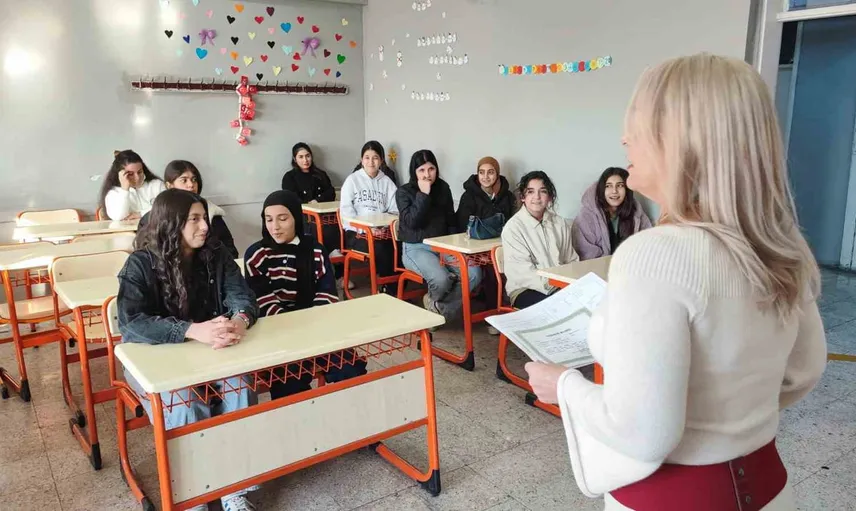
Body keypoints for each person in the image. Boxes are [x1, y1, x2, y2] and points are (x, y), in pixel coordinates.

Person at [525, 54, 827, 511]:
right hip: (768, 488)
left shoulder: (654, 254)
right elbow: (803, 371)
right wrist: (728, 415)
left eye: (637, 123)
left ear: (681, 140)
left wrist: (564, 386)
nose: (624, 138)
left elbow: (642, 433)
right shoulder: (782, 245)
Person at [117, 189, 260, 511]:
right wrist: (192, 330)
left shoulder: (216, 254)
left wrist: (238, 322)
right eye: (194, 219)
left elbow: (242, 298)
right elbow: (131, 323)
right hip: (153, 363)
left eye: (204, 218)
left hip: (211, 352)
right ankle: (195, 494)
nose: (205, 226)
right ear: (172, 223)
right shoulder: (140, 264)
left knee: (240, 384)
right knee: (186, 400)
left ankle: (234, 490)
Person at [244, 190, 367, 398]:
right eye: (269, 219)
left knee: (350, 369)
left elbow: (327, 294)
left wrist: (310, 328)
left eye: (283, 219)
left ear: (296, 218)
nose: (275, 227)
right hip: (278, 332)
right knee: (289, 384)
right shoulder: (257, 255)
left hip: (316, 326)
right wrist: (294, 330)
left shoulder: (315, 250)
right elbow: (263, 301)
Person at [397, 150, 482, 321]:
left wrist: (457, 248)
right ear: (414, 172)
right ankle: (439, 308)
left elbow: (451, 220)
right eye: (421, 170)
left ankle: (437, 306)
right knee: (441, 279)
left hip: (443, 245)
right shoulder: (404, 192)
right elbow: (412, 222)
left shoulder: (443, 188)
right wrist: (423, 195)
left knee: (474, 274)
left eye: (431, 169)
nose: (427, 175)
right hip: (415, 247)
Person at [456, 156, 517, 331]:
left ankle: (506, 310)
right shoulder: (469, 196)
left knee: (508, 266)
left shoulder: (507, 196)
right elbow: (462, 225)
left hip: (498, 246)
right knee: (491, 270)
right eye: (481, 172)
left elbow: (511, 224)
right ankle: (492, 316)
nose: (486, 177)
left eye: (490, 172)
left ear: (497, 174)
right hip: (473, 247)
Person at [501, 171, 578, 309]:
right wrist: (557, 286)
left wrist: (568, 285)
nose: (536, 197)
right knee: (563, 308)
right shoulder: (513, 228)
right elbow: (524, 274)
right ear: (523, 197)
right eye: (530, 192)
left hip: (559, 286)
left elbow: (571, 261)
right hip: (525, 289)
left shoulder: (560, 223)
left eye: (542, 191)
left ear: (550, 197)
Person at [137, 160, 238, 258]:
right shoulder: (152, 218)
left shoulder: (212, 214)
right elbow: (145, 256)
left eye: (194, 180)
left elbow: (231, 252)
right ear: (169, 185)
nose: (191, 185)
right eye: (184, 180)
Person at [340, 141, 399, 290]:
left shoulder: (387, 182)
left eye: (375, 158)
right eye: (367, 157)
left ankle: (393, 289)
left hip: (383, 232)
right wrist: (366, 230)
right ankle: (387, 287)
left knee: (399, 246)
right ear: (361, 160)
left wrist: (383, 228)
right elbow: (346, 214)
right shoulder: (352, 180)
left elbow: (395, 210)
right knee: (381, 248)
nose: (371, 162)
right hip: (357, 234)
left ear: (381, 160)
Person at [572, 167, 652, 260]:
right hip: (598, 267)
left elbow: (648, 244)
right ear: (602, 190)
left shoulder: (636, 213)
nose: (614, 191)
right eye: (608, 186)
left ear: (627, 189)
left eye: (620, 185)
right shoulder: (586, 217)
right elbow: (586, 255)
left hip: (629, 265)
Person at [281, 143, 341, 258]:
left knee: (335, 225)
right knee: (314, 228)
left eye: (308, 156)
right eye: (301, 157)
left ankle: (334, 256)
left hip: (325, 215)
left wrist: (317, 201)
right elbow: (291, 198)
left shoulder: (320, 174)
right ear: (295, 159)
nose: (305, 160)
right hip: (303, 216)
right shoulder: (290, 177)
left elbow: (330, 192)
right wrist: (307, 204)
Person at [99, 150, 165, 221]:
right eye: (130, 174)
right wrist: (125, 190)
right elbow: (118, 216)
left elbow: (166, 208)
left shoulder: (157, 185)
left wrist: (141, 214)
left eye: (139, 172)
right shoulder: (113, 193)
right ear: (120, 174)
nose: (137, 177)